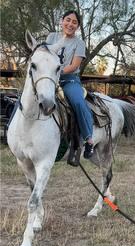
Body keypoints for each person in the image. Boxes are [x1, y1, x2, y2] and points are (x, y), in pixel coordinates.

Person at [46, 10, 94, 159]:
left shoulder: (79, 43)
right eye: (68, 20)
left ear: (78, 26)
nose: (70, 24)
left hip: (69, 80)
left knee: (77, 101)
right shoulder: (52, 37)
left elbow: (74, 65)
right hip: (49, 78)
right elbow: (45, 56)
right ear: (61, 21)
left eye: (74, 22)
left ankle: (88, 138)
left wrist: (56, 72)